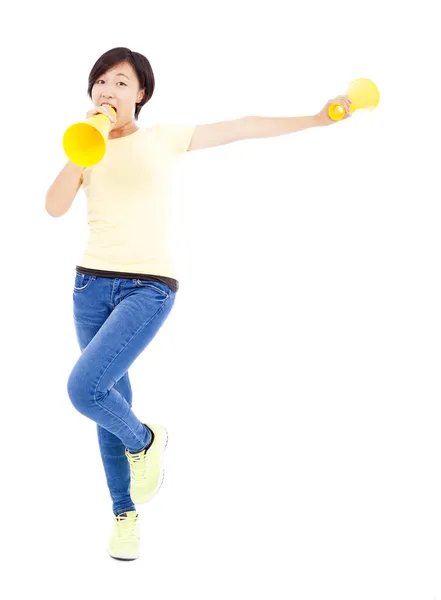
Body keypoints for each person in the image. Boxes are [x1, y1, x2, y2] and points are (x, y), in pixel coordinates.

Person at [45, 46, 352, 561]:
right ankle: (125, 514)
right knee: (104, 402)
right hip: (89, 287)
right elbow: (53, 207)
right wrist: (82, 150)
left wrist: (317, 119)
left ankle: (145, 441)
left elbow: (242, 126)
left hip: (149, 286)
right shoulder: (86, 148)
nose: (107, 90)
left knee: (84, 388)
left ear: (140, 94)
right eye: (101, 81)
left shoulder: (163, 138)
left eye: (121, 82)